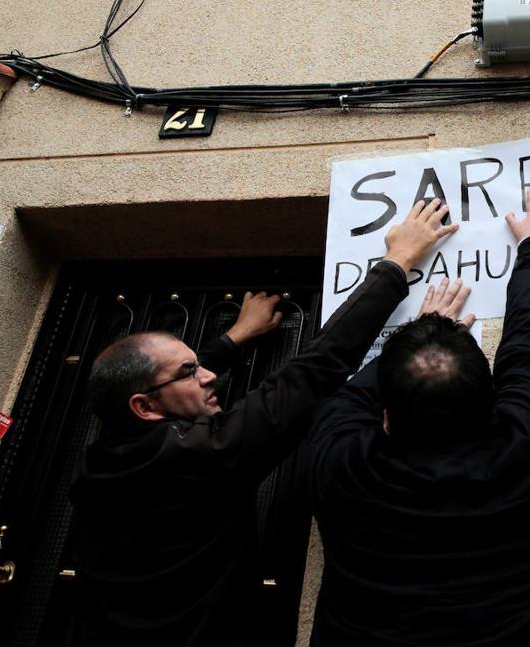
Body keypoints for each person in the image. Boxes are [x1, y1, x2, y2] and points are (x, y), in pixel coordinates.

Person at [67, 198, 458, 647]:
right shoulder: (204, 456)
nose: (208, 375)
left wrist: (233, 339)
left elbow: (165, 386)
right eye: (191, 372)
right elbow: (314, 370)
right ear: (144, 408)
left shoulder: (105, 455)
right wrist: (398, 263)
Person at [309, 187, 530, 646]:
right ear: (491, 400)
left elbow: (334, 390)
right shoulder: (529, 448)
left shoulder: (344, 466)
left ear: (386, 418)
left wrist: (413, 334)